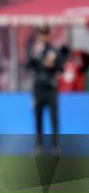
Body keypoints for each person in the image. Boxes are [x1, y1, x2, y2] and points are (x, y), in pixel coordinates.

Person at [27, 26, 65, 155]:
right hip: (38, 89)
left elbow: (61, 68)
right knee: (38, 117)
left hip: (51, 89)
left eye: (46, 34)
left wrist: (53, 65)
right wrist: (34, 55)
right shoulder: (35, 50)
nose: (44, 37)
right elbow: (28, 66)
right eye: (41, 34)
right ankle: (39, 145)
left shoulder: (54, 50)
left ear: (49, 36)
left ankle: (55, 146)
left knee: (54, 117)